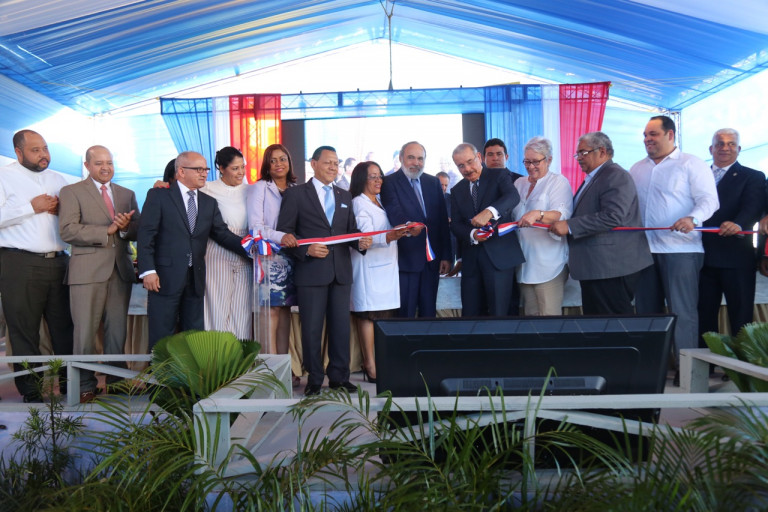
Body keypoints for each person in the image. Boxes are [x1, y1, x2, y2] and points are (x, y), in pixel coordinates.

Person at [276, 146, 372, 396]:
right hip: (311, 272)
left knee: (341, 327)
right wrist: (306, 250)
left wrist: (360, 242)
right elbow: (285, 234)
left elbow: (350, 231)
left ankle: (339, 377)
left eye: (336, 163)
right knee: (311, 328)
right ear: (314, 164)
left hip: (341, 272)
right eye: (328, 162)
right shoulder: (296, 194)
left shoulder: (344, 195)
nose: (333, 167)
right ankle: (315, 378)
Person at [629, 116, 719, 382]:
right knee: (647, 313)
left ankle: (687, 372)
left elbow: (709, 200)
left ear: (670, 134)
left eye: (653, 134)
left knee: (683, 312)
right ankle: (650, 371)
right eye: (645, 135)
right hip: (644, 250)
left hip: (681, 250)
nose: (647, 139)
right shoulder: (636, 168)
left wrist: (693, 218)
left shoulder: (691, 163)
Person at [138, 151, 250, 349]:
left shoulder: (208, 202)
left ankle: (191, 371)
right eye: (198, 169)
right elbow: (146, 236)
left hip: (196, 279)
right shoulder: (159, 196)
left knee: (194, 337)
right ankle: (159, 371)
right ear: (181, 171)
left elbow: (222, 234)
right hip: (164, 278)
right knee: (162, 335)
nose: (204, 173)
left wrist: (253, 249)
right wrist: (148, 271)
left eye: (205, 169)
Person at [59, 145, 140, 403]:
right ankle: (84, 385)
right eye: (99, 163)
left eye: (109, 162)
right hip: (86, 272)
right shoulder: (71, 191)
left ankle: (117, 383)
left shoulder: (127, 194)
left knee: (117, 332)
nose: (106, 168)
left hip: (120, 271)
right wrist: (105, 231)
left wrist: (125, 228)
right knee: (85, 333)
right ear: (87, 166)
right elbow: (67, 230)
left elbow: (137, 231)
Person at [0, 130, 73, 402]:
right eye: (35, 150)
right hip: (20, 262)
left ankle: (70, 385)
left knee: (66, 328)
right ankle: (31, 391)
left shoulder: (57, 179)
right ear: (18, 152)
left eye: (45, 148)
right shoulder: (4, 176)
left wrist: (62, 210)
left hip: (60, 262)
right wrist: (31, 207)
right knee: (24, 331)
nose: (43, 155)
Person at [550, 132, 652, 315]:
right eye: (577, 154)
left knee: (614, 323)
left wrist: (570, 226)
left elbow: (613, 216)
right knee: (598, 323)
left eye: (583, 153)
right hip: (596, 266)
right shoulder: (596, 177)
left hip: (610, 266)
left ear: (602, 151)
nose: (579, 158)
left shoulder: (615, 176)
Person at [698, 129, 764, 340]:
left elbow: (753, 207)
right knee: (703, 317)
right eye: (720, 143)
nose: (725, 148)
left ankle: (741, 361)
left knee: (741, 318)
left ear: (739, 149)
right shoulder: (697, 175)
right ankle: (703, 359)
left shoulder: (753, 176)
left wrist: (738, 224)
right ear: (711, 149)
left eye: (731, 144)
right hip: (700, 257)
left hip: (736, 257)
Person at [349, 161, 408, 382]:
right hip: (369, 267)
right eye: (372, 176)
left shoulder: (380, 201)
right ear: (361, 179)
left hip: (386, 266)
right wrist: (391, 235)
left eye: (380, 176)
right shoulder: (359, 203)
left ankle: (380, 362)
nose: (378, 180)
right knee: (368, 315)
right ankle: (370, 365)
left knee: (381, 315)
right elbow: (365, 237)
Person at [450, 142, 524, 316]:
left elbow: (513, 196)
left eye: (470, 162)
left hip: (500, 258)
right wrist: (473, 234)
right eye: (461, 166)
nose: (467, 169)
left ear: (479, 157)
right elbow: (456, 225)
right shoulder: (457, 190)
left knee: (500, 314)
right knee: (471, 315)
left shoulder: (499, 175)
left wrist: (489, 212)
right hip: (471, 263)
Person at [380, 141, 452, 317]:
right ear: (401, 158)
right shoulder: (389, 182)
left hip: (432, 261)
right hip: (406, 259)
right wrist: (409, 226)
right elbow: (393, 211)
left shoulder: (433, 182)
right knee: (405, 314)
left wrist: (446, 255)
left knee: (429, 315)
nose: (416, 163)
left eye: (420, 158)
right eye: (411, 158)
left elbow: (442, 221)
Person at [246, 143, 299, 358]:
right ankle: (270, 366)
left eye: (282, 159)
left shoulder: (297, 188)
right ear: (267, 165)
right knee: (272, 309)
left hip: (293, 255)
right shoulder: (260, 187)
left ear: (289, 162)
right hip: (270, 255)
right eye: (273, 160)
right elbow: (255, 226)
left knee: (286, 309)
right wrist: (280, 236)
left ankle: (283, 365)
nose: (279, 164)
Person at [511, 137, 572, 316]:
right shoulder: (519, 183)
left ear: (549, 160)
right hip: (524, 263)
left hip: (549, 263)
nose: (531, 166)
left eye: (536, 162)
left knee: (549, 319)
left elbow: (561, 215)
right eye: (527, 162)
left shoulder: (558, 182)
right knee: (531, 319)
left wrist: (538, 214)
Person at [201, 147, 252, 339]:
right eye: (235, 168)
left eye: (242, 167)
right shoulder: (206, 188)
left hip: (247, 249)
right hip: (217, 249)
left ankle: (239, 354)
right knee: (216, 306)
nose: (241, 173)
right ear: (221, 168)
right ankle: (214, 354)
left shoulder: (251, 190)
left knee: (242, 308)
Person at [484, 137, 523, 314]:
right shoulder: (477, 182)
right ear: (483, 158)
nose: (495, 158)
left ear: (506, 157)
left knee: (514, 303)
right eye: (490, 154)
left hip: (519, 248)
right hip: (485, 251)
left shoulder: (520, 181)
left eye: (499, 154)